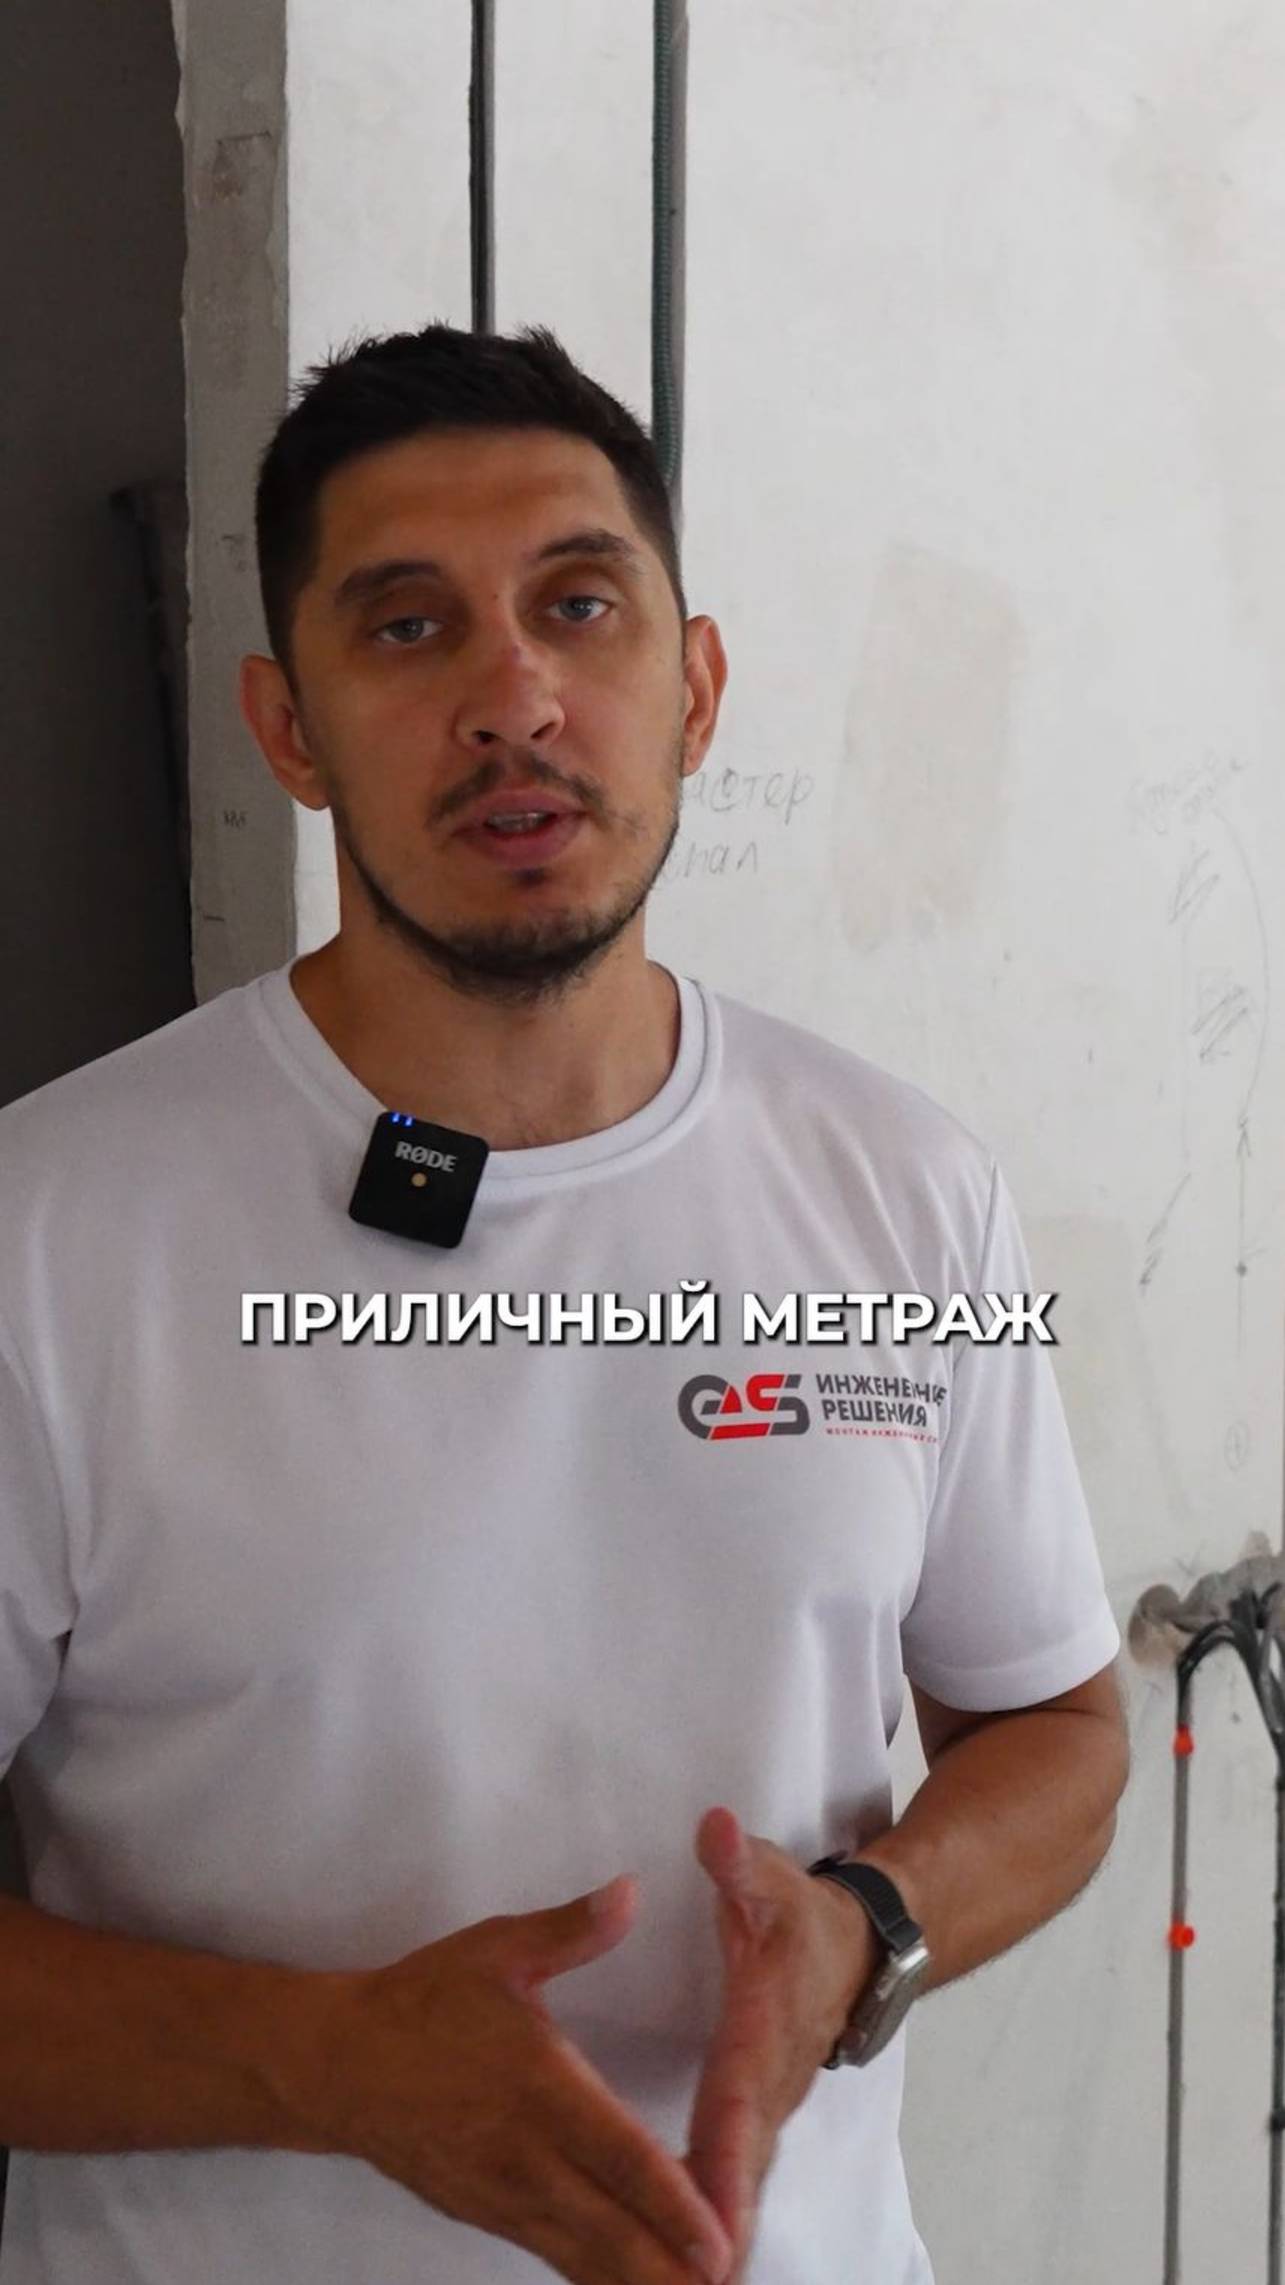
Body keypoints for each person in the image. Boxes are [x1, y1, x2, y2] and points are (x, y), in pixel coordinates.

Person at [0, 320, 1128, 2285]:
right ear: (288, 729)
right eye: (408, 627)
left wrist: (871, 1924)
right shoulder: (52, 1225)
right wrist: (318, 2064)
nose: (514, 695)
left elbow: (1053, 1718)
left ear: (693, 687)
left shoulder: (908, 1186)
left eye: (579, 605)